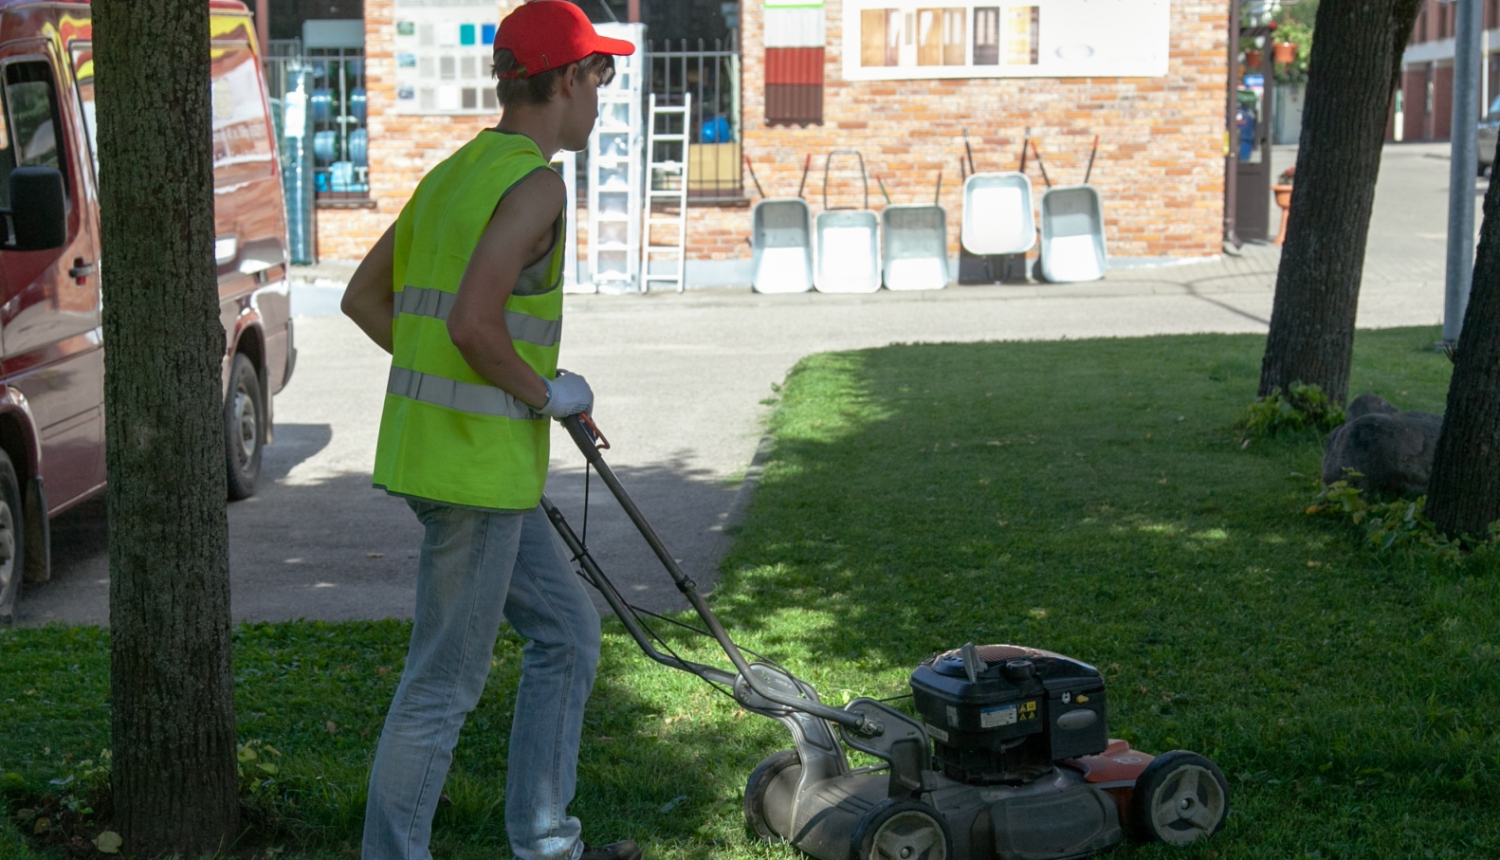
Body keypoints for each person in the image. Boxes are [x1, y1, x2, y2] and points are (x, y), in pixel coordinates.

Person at [339, 4, 637, 859]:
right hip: (473, 479)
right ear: (567, 79)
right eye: (598, 78)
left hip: (462, 465)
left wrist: (499, 382)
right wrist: (543, 392)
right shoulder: (536, 185)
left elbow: (366, 300)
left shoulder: (453, 173)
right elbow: (472, 325)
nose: (600, 99)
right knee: (441, 687)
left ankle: (546, 842)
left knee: (568, 634)